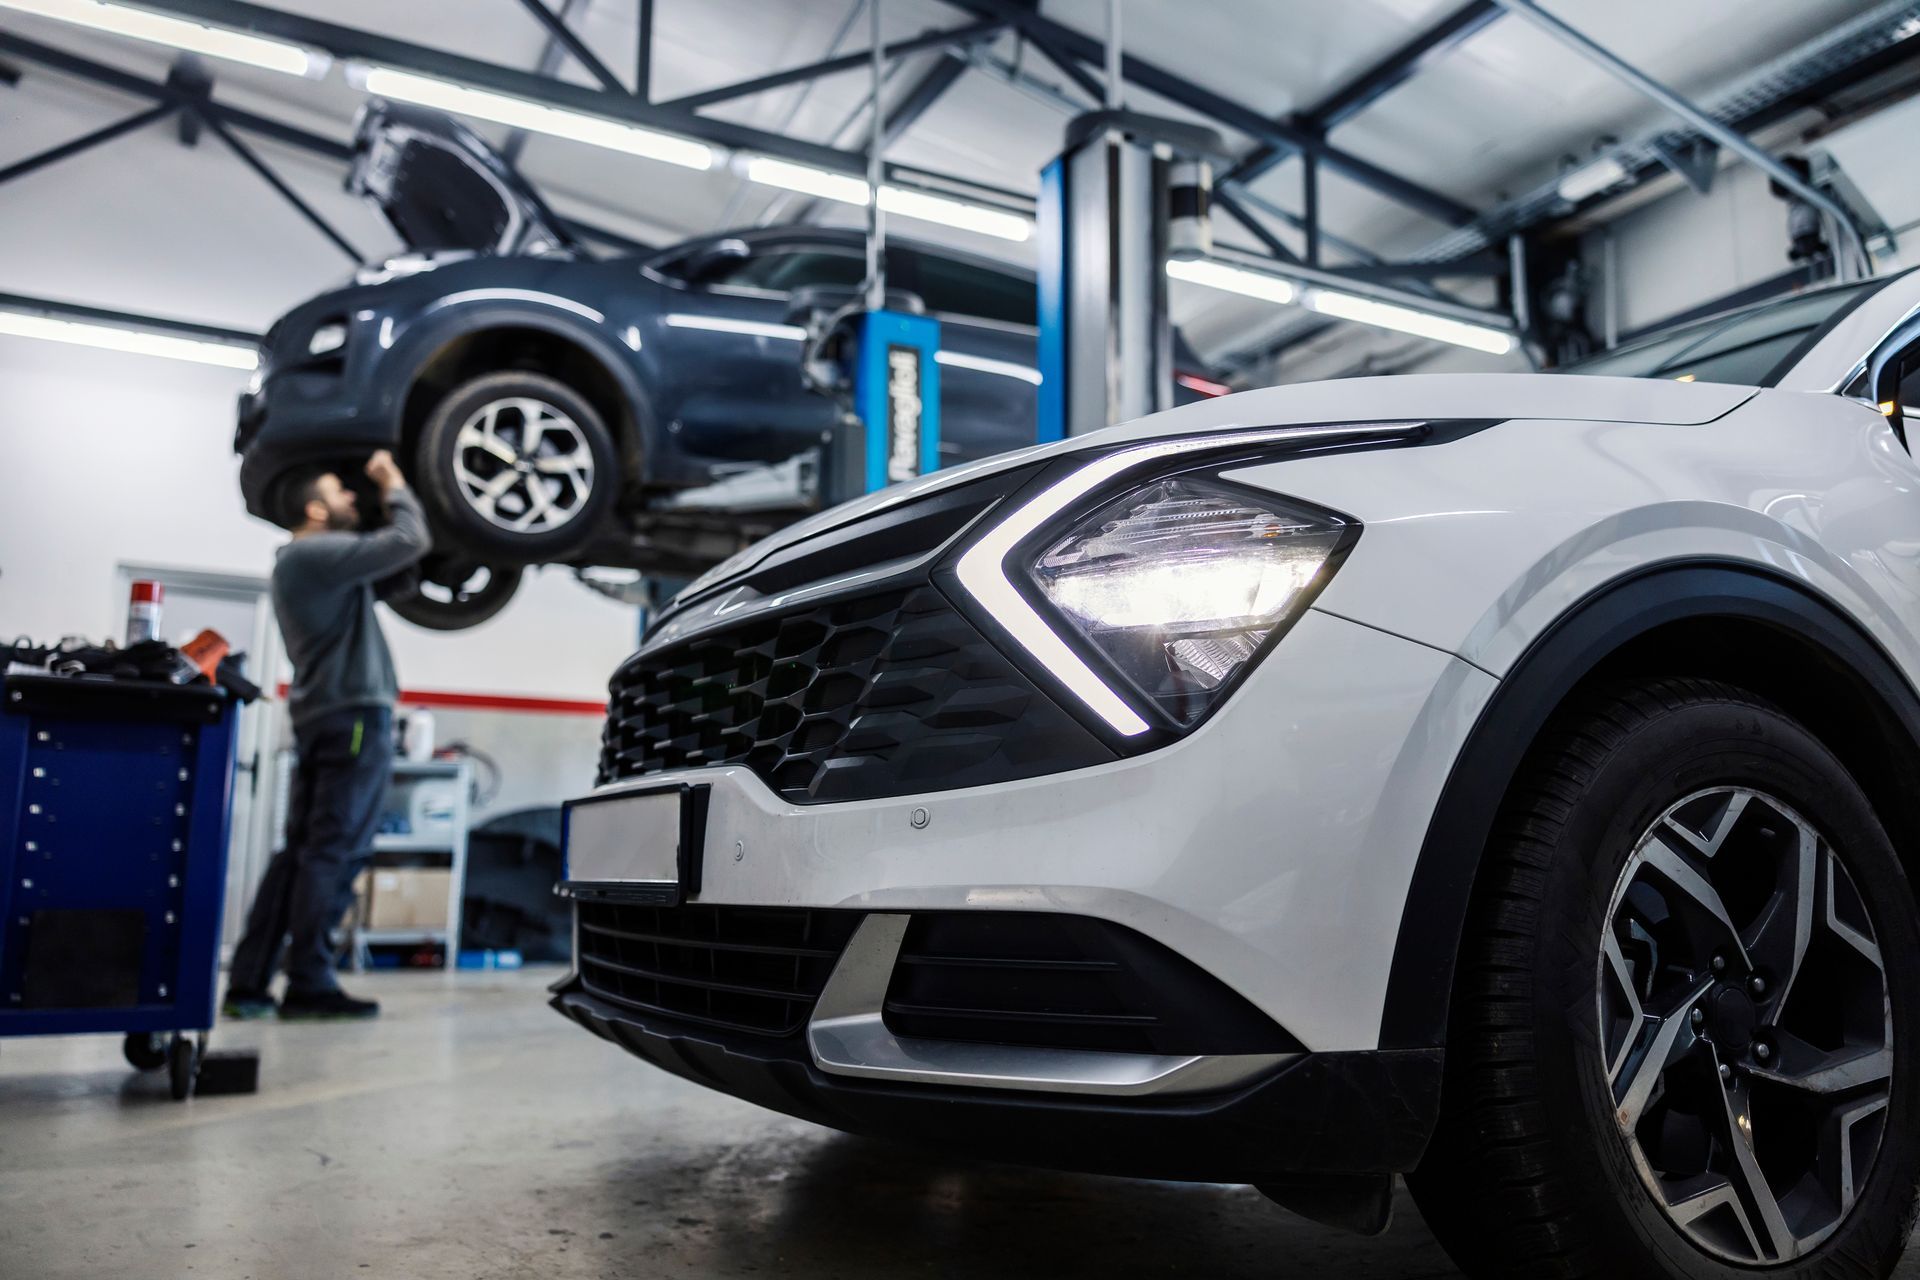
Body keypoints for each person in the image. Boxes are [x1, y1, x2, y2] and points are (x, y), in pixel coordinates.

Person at [224, 450, 431, 1020]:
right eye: (341, 493)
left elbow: (399, 576)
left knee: (301, 853)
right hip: (355, 720)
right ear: (316, 510)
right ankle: (310, 982)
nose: (350, 501)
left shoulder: (304, 564)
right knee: (334, 852)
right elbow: (409, 540)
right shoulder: (315, 554)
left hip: (326, 719)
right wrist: (393, 482)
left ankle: (249, 983)